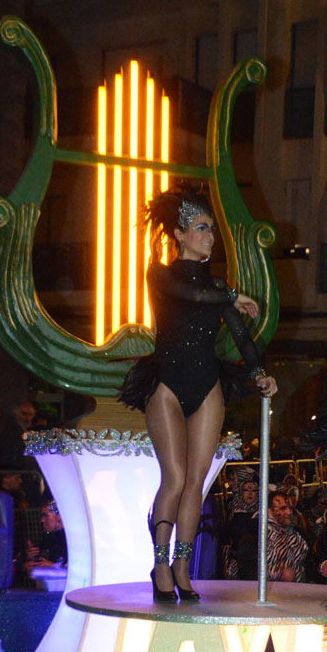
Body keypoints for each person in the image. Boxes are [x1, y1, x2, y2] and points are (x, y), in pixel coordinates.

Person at [119, 184, 277, 601]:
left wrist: (260, 371)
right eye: (201, 228)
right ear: (180, 234)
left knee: (196, 482)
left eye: (211, 229)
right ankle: (159, 563)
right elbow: (191, 293)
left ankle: (183, 566)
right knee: (174, 477)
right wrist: (230, 295)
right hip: (167, 384)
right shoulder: (161, 274)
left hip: (207, 384)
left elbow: (241, 335)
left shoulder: (218, 286)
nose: (209, 235)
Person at [267, 489, 310, 582]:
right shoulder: (257, 535)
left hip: (298, 592)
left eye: (290, 508)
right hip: (272, 593)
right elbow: (250, 569)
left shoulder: (297, 532)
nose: (289, 512)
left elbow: (309, 561)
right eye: (283, 508)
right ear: (269, 511)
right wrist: (278, 572)